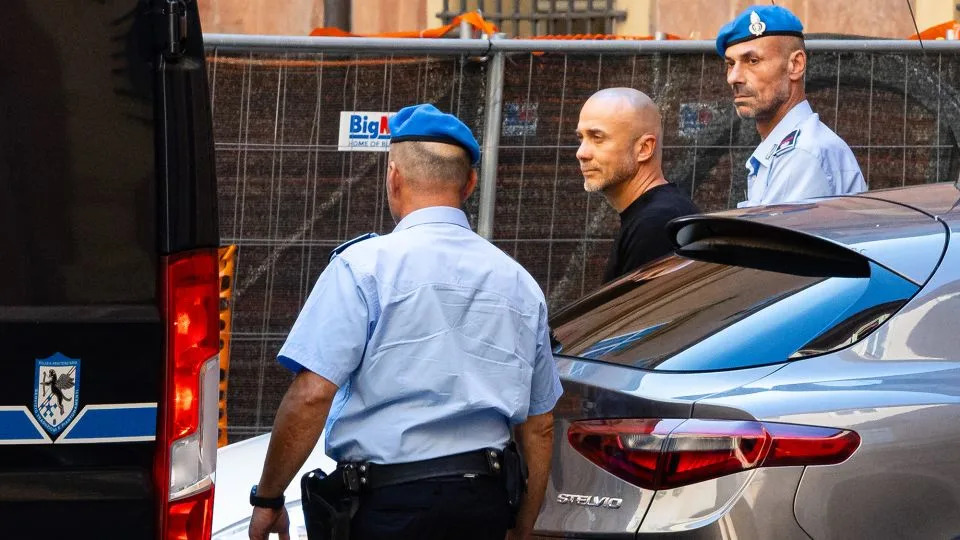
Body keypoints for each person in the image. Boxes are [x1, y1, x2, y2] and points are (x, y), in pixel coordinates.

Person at [247, 103, 563, 540]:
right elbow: (540, 424)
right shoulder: (520, 282)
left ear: (393, 176)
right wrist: (522, 527)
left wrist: (268, 499)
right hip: (483, 504)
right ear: (470, 183)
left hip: (388, 507)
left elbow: (312, 395)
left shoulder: (362, 268)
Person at [717, 5, 867, 208]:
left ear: (796, 65)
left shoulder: (801, 154)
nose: (733, 78)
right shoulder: (790, 148)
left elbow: (769, 239)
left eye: (752, 61)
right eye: (730, 64)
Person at [576, 88, 701, 283]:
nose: (581, 153)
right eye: (581, 138)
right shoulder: (656, 215)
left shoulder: (656, 224)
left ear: (644, 148)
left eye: (597, 138)